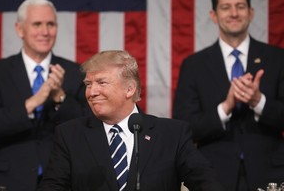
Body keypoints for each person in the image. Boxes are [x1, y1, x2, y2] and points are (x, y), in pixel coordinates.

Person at [37, 50, 224, 191]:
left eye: (102, 83)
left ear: (129, 89)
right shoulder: (70, 135)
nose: (91, 92)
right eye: (88, 84)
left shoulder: (172, 135)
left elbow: (207, 183)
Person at [173, 0, 284, 191]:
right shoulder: (193, 65)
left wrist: (258, 101)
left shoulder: (278, 59)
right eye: (225, 7)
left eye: (240, 6)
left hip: (271, 172)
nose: (234, 13)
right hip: (213, 175)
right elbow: (184, 126)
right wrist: (226, 106)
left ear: (251, 13)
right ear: (213, 15)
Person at [0, 0, 91, 191]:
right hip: (9, 180)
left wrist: (60, 98)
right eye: (37, 24)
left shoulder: (75, 73)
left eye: (51, 24)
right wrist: (32, 103)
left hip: (62, 179)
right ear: (19, 29)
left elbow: (89, 126)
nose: (45, 32)